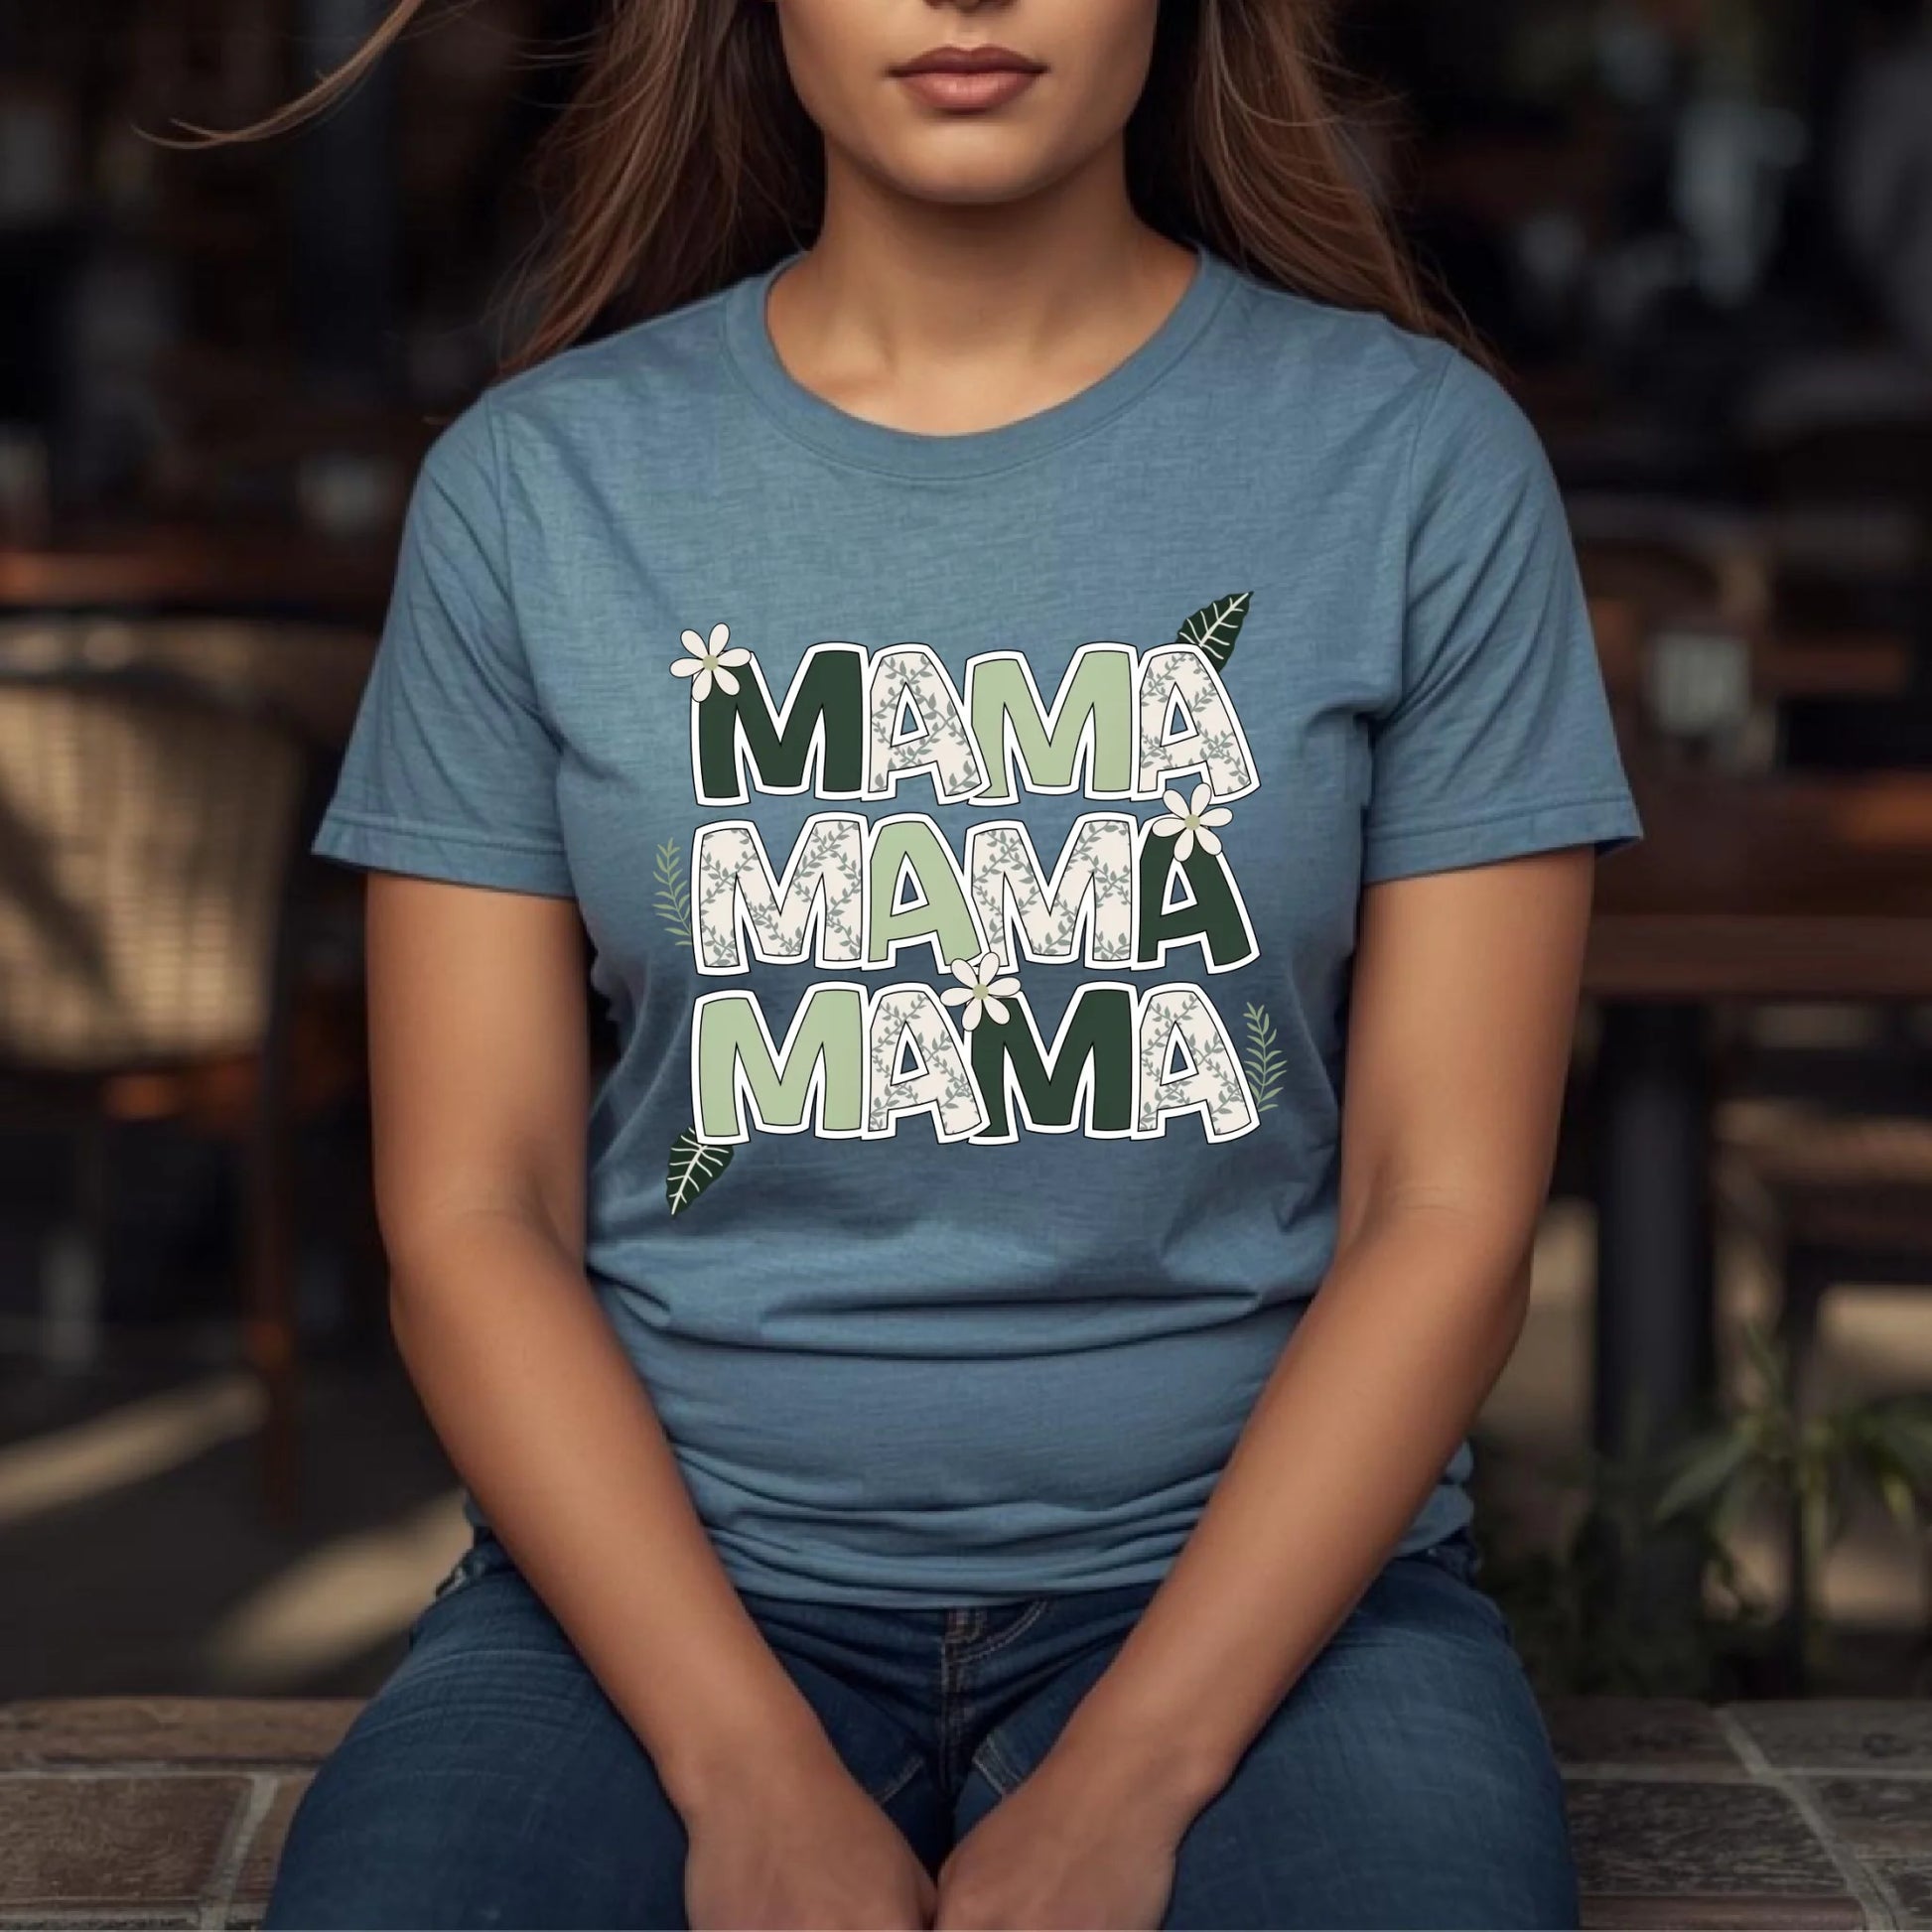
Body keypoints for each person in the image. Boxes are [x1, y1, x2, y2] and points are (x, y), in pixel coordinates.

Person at [248, 1, 1643, 1925]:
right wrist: (739, 1765)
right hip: (659, 1600)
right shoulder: (536, 491)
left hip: (1277, 1607)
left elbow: (1449, 1208)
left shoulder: (1416, 466)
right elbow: (471, 1211)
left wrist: (1133, 1772)